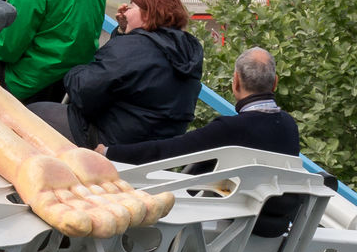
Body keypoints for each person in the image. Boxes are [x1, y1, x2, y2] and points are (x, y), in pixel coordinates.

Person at [53, 0, 203, 149]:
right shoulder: (185, 49)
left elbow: (84, 91)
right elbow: (125, 72)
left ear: (147, 13)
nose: (125, 13)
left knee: (36, 113)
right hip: (152, 150)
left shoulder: (136, 47)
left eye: (131, 7)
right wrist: (123, 32)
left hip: (111, 144)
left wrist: (74, 70)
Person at [100, 47, 299, 165]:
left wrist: (109, 153)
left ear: (236, 82)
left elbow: (168, 150)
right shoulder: (290, 126)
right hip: (275, 220)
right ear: (275, 83)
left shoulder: (230, 129)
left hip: (229, 218)